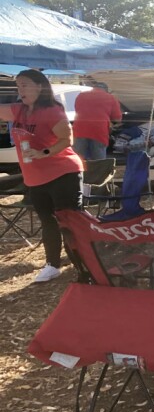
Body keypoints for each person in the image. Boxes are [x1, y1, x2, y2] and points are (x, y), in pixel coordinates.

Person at [0, 69, 84, 283]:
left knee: (69, 220)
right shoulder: (19, 111)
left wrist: (43, 152)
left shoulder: (51, 111)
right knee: (48, 222)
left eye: (25, 85)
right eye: (18, 86)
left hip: (63, 172)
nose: (21, 90)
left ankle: (83, 263)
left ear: (40, 86)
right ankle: (53, 265)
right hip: (35, 177)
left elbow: (67, 140)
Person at [72, 78, 122, 160]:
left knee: (78, 158)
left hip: (80, 129)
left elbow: (78, 110)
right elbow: (117, 119)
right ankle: (98, 172)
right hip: (99, 130)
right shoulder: (110, 97)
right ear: (106, 90)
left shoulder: (81, 95)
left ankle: (76, 172)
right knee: (98, 159)